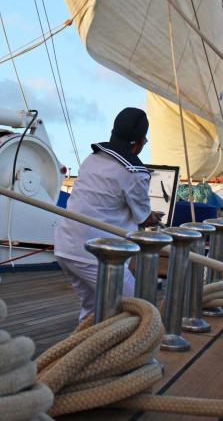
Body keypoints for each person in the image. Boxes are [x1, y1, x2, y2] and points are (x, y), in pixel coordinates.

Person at [54, 107, 162, 321]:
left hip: (65, 247)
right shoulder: (134, 171)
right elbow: (143, 217)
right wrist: (155, 218)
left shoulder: (92, 159)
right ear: (140, 142)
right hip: (96, 255)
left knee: (92, 311)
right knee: (141, 307)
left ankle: (87, 349)